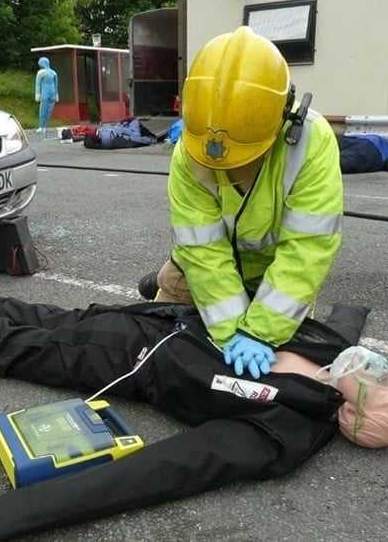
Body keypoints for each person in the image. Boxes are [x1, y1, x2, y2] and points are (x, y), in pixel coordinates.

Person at [0, 261, 388, 541]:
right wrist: (353, 319)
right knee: (54, 317)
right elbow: (344, 316)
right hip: (164, 321)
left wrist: (14, 515)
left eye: (380, 379)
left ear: (355, 413)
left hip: (131, 363)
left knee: (17, 348)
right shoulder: (335, 350)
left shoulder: (288, 429)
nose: (377, 366)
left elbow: (171, 469)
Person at [139, 26, 343, 381]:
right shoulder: (190, 150)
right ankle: (161, 281)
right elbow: (202, 249)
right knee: (153, 344)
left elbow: (307, 249)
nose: (229, 169)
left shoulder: (312, 143)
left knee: (280, 367)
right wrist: (232, 329)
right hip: (202, 268)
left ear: (282, 119)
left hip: (277, 276)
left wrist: (261, 331)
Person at [34, 56, 58, 133]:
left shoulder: (42, 72)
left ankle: (43, 127)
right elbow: (38, 84)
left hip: (48, 92)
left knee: (46, 110)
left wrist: (38, 94)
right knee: (45, 110)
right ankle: (42, 126)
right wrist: (38, 94)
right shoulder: (52, 72)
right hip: (49, 92)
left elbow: (37, 84)